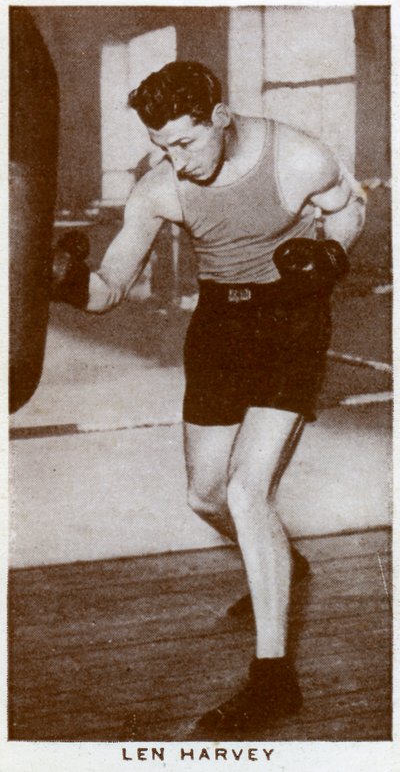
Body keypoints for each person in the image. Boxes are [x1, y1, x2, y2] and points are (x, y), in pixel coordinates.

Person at [52, 61, 366, 738]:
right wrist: (64, 283)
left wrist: (332, 254)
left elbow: (351, 205)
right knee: (205, 496)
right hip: (219, 327)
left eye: (185, 142)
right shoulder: (160, 188)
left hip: (293, 319)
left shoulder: (298, 155)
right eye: (162, 145)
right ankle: (283, 560)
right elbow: (109, 288)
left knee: (250, 492)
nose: (174, 159)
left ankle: (274, 682)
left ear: (220, 117)